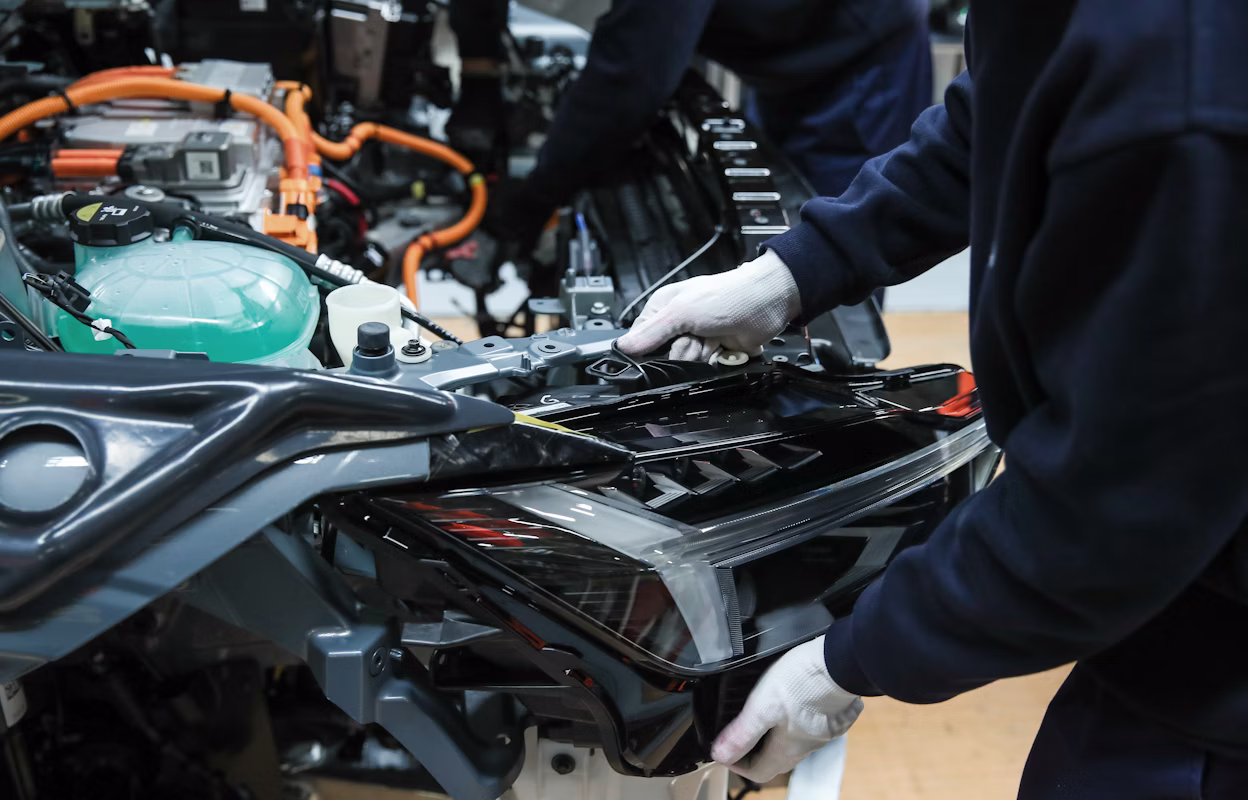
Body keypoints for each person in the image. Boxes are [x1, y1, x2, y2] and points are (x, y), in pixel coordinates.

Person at [617, 3, 1248, 797]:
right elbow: (994, 112)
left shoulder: (1192, 100)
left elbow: (1112, 511)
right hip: (1166, 610)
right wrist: (790, 274)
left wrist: (845, 662)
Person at [490, 0, 933, 253]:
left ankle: (816, 402)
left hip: (857, 65)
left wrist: (536, 199)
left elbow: (630, 76)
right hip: (783, 51)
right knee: (773, 221)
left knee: (825, 252)